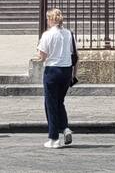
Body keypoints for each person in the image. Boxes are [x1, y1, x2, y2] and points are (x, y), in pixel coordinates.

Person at [37, 8, 76, 149]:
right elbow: (73, 53)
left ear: (51, 20)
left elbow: (42, 56)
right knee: (60, 102)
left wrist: (38, 56)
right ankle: (65, 128)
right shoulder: (69, 34)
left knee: (50, 104)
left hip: (52, 70)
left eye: (48, 19)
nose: (47, 21)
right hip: (66, 70)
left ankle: (54, 138)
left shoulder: (47, 35)